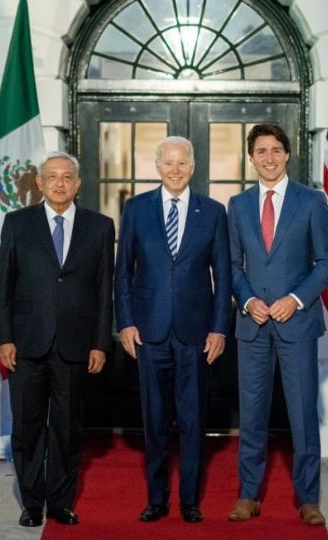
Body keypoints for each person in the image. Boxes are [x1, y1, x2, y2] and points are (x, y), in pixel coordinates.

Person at [0, 151, 115, 528]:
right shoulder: (17, 223)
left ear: (78, 184)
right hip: (26, 344)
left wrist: (100, 343)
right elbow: (4, 289)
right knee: (27, 428)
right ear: (40, 184)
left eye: (67, 177)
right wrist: (5, 338)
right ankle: (32, 503)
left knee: (66, 429)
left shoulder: (100, 226)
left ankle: (61, 503)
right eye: (52, 177)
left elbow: (103, 290)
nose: (60, 183)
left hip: (76, 345)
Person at [114, 136, 232, 523]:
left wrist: (219, 329)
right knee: (155, 421)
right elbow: (123, 274)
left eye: (182, 163)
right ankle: (157, 499)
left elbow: (224, 277)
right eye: (169, 163)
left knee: (194, 421)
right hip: (149, 333)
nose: (176, 169)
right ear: (158, 166)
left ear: (193, 167)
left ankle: (190, 501)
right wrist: (126, 322)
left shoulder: (213, 212)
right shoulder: (135, 209)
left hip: (196, 336)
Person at [226, 124, 328, 526]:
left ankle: (309, 499)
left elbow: (327, 262)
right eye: (260, 151)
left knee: (303, 415)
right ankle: (248, 495)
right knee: (252, 415)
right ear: (251, 157)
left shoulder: (311, 202)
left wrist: (295, 299)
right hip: (252, 326)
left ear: (287, 155)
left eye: (275, 150)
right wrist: (249, 299)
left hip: (298, 324)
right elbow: (233, 266)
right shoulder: (237, 205)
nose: (268, 158)